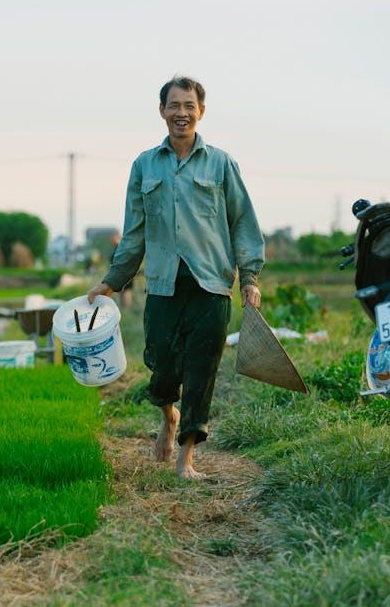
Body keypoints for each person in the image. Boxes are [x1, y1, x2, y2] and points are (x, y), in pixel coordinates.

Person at [87, 75, 265, 479]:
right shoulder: (145, 165)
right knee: (161, 362)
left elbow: (243, 223)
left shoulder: (221, 163)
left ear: (201, 111)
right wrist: (113, 281)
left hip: (212, 283)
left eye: (189, 106)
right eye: (174, 106)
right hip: (164, 283)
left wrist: (250, 277)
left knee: (203, 369)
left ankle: (187, 457)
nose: (181, 113)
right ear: (162, 111)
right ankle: (169, 415)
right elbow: (134, 232)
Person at [108, 230, 134, 311]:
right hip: (117, 276)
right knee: (120, 298)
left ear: (119, 238)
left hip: (126, 276)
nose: (112, 240)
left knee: (126, 295)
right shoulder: (116, 249)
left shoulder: (123, 248)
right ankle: (123, 314)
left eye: (114, 238)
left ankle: (127, 314)